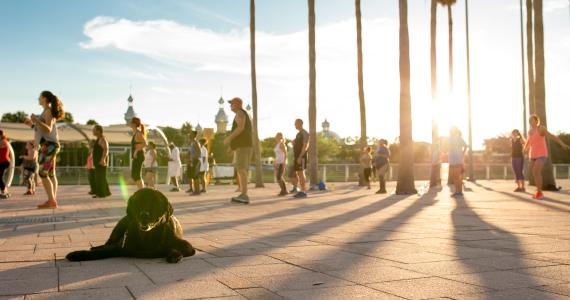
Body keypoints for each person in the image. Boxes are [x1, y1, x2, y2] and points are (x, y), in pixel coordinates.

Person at [24, 91, 64, 208]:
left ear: (45, 99)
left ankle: (51, 200)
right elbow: (42, 130)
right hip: (51, 145)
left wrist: (36, 120)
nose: (38, 99)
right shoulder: (46, 111)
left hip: (50, 146)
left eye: (40, 97)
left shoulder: (48, 111)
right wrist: (32, 125)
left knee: (42, 173)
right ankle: (52, 200)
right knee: (51, 174)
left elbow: (48, 129)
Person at [524, 114, 570, 200]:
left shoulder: (541, 129)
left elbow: (552, 136)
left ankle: (540, 193)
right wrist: (525, 148)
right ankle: (538, 191)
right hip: (533, 154)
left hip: (542, 154)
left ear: (536, 121)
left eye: (532, 120)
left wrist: (562, 144)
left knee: (536, 171)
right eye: (529, 120)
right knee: (534, 173)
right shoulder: (530, 131)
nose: (530, 121)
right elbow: (529, 141)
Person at [223, 97, 253, 204]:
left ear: (237, 104)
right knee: (241, 169)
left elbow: (240, 128)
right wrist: (232, 147)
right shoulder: (241, 113)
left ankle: (244, 195)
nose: (230, 106)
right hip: (243, 145)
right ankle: (243, 194)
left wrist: (228, 138)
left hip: (243, 146)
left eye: (232, 104)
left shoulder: (240, 113)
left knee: (241, 169)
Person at [448, 127, 468, 198]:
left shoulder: (456, 138)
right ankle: (458, 191)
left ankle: (459, 191)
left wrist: (462, 153)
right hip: (454, 159)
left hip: (456, 160)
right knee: (456, 176)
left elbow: (465, 146)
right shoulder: (453, 138)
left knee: (456, 176)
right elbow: (465, 146)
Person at [292, 119, 309, 198]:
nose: (295, 125)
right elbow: (298, 145)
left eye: (296, 123)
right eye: (295, 124)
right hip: (297, 156)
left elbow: (305, 146)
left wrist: (300, 156)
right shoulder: (298, 134)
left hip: (301, 157)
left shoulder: (304, 133)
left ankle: (303, 191)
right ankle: (301, 190)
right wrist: (294, 143)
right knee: (299, 173)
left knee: (301, 173)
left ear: (301, 124)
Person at [92, 125, 111, 198]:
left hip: (101, 162)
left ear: (98, 131)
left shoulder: (102, 139)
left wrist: (102, 159)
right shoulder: (98, 139)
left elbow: (106, 150)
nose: (92, 131)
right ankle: (106, 192)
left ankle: (101, 194)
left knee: (100, 178)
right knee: (100, 177)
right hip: (98, 162)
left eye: (94, 130)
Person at [130, 117, 147, 190]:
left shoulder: (138, 133)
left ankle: (142, 191)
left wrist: (136, 151)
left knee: (136, 175)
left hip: (139, 155)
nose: (129, 123)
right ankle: (142, 190)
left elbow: (145, 143)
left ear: (133, 124)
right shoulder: (135, 133)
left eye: (131, 122)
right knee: (134, 175)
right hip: (137, 156)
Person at [186, 131, 201, 195]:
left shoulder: (196, 143)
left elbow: (199, 153)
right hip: (191, 161)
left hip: (195, 161)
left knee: (195, 176)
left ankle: (197, 191)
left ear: (194, 135)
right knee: (191, 175)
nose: (189, 135)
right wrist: (188, 159)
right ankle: (194, 190)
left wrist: (193, 159)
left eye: (191, 134)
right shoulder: (191, 143)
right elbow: (189, 153)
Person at [0, 130, 11, 199]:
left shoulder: (3, 141)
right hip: (2, 162)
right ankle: (4, 190)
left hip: (4, 162)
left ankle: (4, 191)